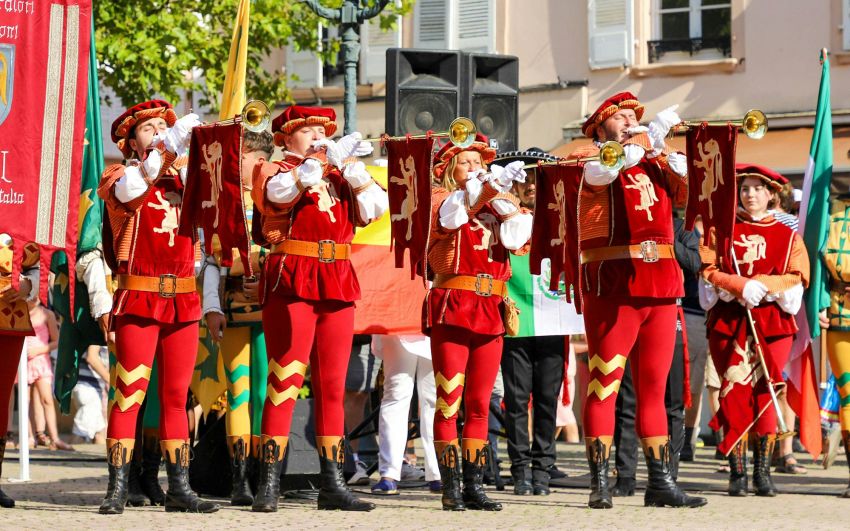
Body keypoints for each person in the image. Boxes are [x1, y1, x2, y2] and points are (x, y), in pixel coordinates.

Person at [250, 105, 388, 512]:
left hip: (337, 277)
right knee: (285, 378)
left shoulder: (338, 174)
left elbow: (376, 209)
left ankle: (332, 484)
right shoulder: (275, 170)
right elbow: (277, 196)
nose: (317, 136)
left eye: (322, 130)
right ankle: (269, 483)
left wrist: (353, 170)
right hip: (294, 275)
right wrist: (315, 164)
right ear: (285, 138)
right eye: (307, 129)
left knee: (332, 384)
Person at [573, 91, 705, 509]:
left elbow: (690, 197)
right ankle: (600, 481)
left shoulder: (653, 159)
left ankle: (660, 482)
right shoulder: (587, 157)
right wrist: (646, 141)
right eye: (621, 117)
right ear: (599, 128)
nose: (631, 121)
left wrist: (669, 154)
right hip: (615, 285)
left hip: (661, 285)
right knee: (605, 383)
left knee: (654, 388)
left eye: (635, 116)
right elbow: (605, 172)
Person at [96, 99, 219, 514]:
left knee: (176, 396)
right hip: (140, 296)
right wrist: (166, 148)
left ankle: (180, 488)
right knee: (129, 392)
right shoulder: (120, 175)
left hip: (182, 297)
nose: (158, 133)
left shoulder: (183, 178)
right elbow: (133, 190)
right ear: (131, 142)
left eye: (163, 127)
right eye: (148, 129)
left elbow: (215, 202)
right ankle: (117, 488)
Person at [425, 134, 533, 511]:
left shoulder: (499, 200)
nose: (475, 167)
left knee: (480, 402)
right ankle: (450, 487)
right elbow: (451, 217)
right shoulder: (442, 198)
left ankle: (474, 485)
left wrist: (502, 197)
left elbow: (518, 238)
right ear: (449, 170)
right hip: (454, 303)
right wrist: (485, 188)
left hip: (491, 305)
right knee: (448, 400)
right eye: (466, 162)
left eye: (479, 162)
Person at [699, 163, 809, 497]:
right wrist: (737, 285)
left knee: (766, 391)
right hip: (729, 321)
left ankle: (762, 471)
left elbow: (797, 276)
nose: (750, 195)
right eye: (745, 189)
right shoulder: (721, 231)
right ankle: (737, 472)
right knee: (733, 391)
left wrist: (762, 284)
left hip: (772, 324)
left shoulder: (789, 237)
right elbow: (708, 269)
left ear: (772, 194)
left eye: (758, 189)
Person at [494, 147, 583, 497]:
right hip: (516, 316)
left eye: (537, 177)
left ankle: (543, 468)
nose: (531, 185)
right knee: (517, 400)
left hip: (553, 316)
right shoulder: (502, 214)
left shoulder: (565, 215)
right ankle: (520, 471)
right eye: (525, 178)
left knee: (548, 398)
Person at [200, 129, 274, 506]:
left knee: (265, 393)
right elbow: (212, 261)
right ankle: (239, 480)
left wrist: (269, 279)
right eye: (244, 157)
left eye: (258, 158)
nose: (251, 164)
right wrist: (211, 308)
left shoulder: (278, 195)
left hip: (271, 307)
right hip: (232, 308)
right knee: (239, 392)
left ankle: (265, 478)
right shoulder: (222, 200)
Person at [612, 216, 700, 496]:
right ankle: (625, 476)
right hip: (629, 310)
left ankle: (666, 475)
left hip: (668, 314)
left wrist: (667, 240)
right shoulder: (627, 220)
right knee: (627, 399)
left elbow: (695, 263)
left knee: (672, 401)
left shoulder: (681, 227)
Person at [370, 334, 440, 495]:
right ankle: (389, 473)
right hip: (399, 327)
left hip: (435, 327)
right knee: (396, 394)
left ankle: (439, 472)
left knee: (435, 398)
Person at [0, 235, 40, 507]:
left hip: (10, 316)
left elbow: (38, 264)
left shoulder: (27, 218)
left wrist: (27, 285)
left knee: (1, 399)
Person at [818, 186, 850, 497]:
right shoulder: (832, 209)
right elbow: (817, 260)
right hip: (841, 312)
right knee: (848, 395)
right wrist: (818, 302)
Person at [24, 299, 73, 451]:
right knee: (25, 401)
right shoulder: (20, 313)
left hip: (41, 361)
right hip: (24, 363)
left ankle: (54, 438)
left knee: (47, 399)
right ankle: (29, 437)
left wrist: (39, 350)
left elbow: (56, 341)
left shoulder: (47, 314)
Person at [344, 334, 381, 486]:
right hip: (353, 332)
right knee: (354, 393)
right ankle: (349, 461)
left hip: (381, 332)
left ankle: (397, 462)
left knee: (399, 391)